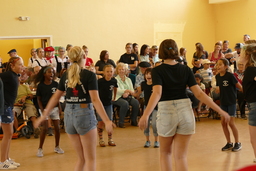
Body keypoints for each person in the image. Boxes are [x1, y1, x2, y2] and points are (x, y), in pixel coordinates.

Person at [138, 39, 230, 171]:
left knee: (165, 153)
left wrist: (145, 115)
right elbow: (199, 94)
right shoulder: (186, 69)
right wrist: (220, 111)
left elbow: (157, 93)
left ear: (162, 52)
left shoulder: (157, 71)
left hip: (166, 112)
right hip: (185, 111)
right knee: (181, 157)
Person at [34, 46, 114, 171]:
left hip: (68, 116)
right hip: (84, 114)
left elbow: (55, 97)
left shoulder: (66, 75)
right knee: (90, 159)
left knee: (81, 159)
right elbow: (95, 99)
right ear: (84, 57)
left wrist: (44, 115)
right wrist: (107, 120)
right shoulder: (89, 75)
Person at [34, 66, 64, 157]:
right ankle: (40, 148)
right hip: (44, 109)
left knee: (57, 128)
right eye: (49, 72)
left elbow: (57, 97)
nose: (52, 74)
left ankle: (57, 146)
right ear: (44, 74)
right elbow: (38, 99)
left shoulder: (55, 84)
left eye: (53, 72)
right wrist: (42, 110)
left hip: (54, 108)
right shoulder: (40, 85)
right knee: (45, 128)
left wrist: (59, 107)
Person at [0, 57, 23, 169]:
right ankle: (2, 161)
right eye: (20, 65)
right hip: (4, 106)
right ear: (12, 66)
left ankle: (7, 158)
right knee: (8, 134)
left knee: (9, 134)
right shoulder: (8, 75)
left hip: (9, 106)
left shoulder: (14, 75)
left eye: (22, 65)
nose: (22, 67)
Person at [215, 58, 242, 152]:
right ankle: (229, 142)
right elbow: (219, 87)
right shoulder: (217, 77)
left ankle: (237, 143)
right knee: (223, 123)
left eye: (220, 64)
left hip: (231, 102)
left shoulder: (230, 76)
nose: (218, 66)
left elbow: (239, 86)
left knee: (231, 123)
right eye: (217, 64)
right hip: (223, 102)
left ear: (226, 66)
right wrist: (217, 90)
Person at [13, 70, 40, 138]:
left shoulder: (25, 87)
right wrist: (16, 103)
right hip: (16, 104)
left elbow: (31, 96)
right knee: (13, 113)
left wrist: (25, 97)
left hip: (27, 102)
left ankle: (36, 128)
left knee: (32, 115)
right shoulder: (12, 88)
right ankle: (17, 130)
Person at [241, 42, 256, 162]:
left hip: (254, 106)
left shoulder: (251, 69)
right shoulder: (249, 69)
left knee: (254, 138)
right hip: (252, 104)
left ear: (247, 56)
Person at [112, 62, 139, 128]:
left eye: (123, 69)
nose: (121, 71)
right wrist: (126, 91)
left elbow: (132, 90)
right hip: (117, 97)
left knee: (136, 102)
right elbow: (116, 90)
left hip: (127, 96)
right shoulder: (114, 79)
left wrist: (128, 93)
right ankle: (121, 122)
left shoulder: (128, 79)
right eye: (120, 69)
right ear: (117, 70)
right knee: (124, 103)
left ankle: (133, 120)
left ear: (125, 70)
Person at [97, 65, 117, 147]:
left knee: (109, 121)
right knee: (101, 122)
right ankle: (101, 139)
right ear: (104, 72)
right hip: (100, 104)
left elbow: (115, 88)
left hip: (109, 104)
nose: (109, 73)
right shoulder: (100, 81)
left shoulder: (114, 81)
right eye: (107, 71)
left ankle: (110, 139)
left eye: (111, 72)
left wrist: (114, 97)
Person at [139, 68, 159, 148]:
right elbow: (138, 93)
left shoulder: (156, 84)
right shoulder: (143, 84)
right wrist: (129, 92)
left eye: (150, 74)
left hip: (156, 107)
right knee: (146, 124)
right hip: (146, 106)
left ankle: (156, 141)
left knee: (154, 124)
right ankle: (147, 140)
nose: (148, 76)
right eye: (146, 74)